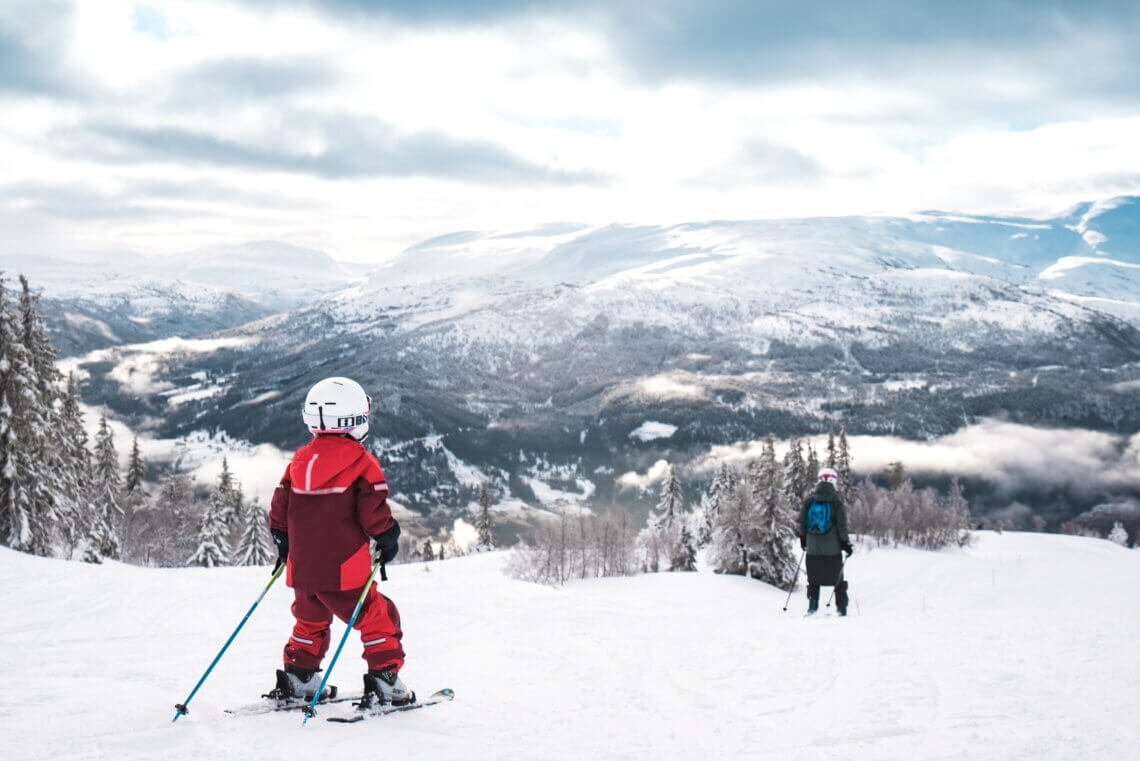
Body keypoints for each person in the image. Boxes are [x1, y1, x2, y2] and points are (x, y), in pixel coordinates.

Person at [265, 376, 412, 709]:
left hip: (303, 571)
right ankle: (385, 681)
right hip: (343, 571)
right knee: (379, 615)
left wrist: (283, 541)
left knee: (310, 620)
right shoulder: (361, 463)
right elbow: (373, 511)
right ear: (355, 419)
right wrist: (388, 537)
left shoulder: (300, 461)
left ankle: (299, 676)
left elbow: (280, 507)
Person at [797, 467, 853, 616]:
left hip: (813, 549)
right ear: (834, 482)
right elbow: (841, 526)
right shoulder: (836, 502)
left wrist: (803, 539)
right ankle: (841, 608)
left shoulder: (809, 501)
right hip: (832, 550)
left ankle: (812, 607)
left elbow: (802, 522)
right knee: (838, 579)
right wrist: (845, 544)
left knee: (814, 579)